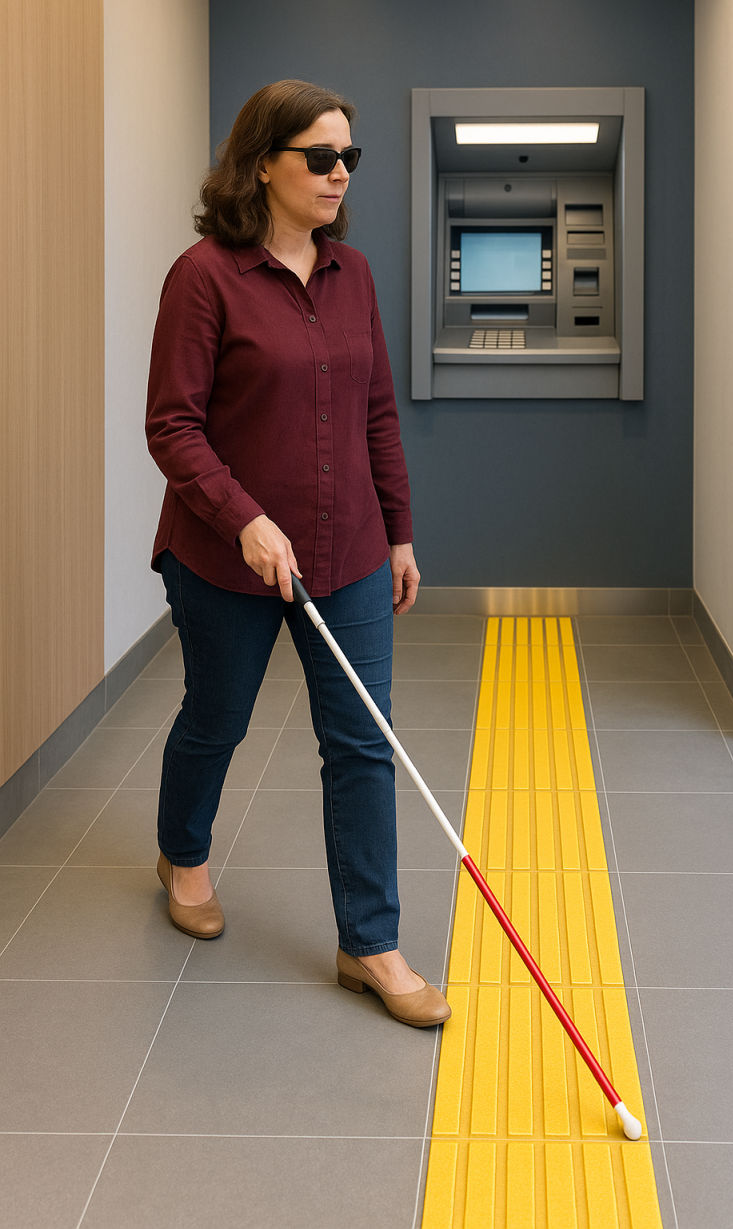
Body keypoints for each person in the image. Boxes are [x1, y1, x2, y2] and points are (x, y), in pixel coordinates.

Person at [145, 80, 450, 1029]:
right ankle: (182, 855)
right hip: (224, 557)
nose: (338, 173)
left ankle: (371, 942)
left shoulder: (351, 274)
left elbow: (376, 413)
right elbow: (172, 425)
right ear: (260, 164)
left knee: (361, 742)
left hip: (346, 548)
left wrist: (397, 531)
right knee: (216, 720)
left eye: (347, 157)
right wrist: (243, 516)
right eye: (318, 156)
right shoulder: (204, 277)